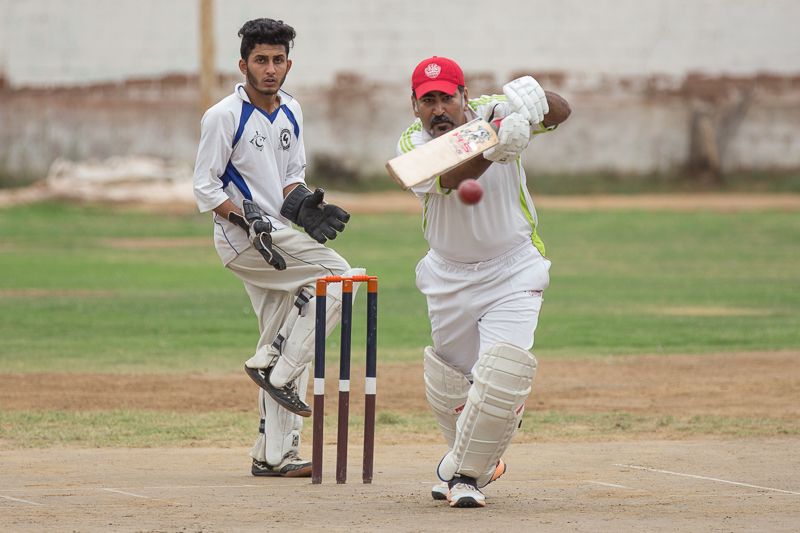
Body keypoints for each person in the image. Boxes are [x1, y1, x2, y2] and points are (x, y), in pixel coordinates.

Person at [394, 56, 571, 507]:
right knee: (451, 384)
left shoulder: (496, 108)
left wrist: (536, 99)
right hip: (448, 276)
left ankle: (465, 477)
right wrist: (493, 142)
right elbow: (450, 177)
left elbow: (561, 112)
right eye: (428, 101)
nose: (438, 109)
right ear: (414, 105)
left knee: (500, 375)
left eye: (446, 98)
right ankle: (476, 461)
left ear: (464, 96)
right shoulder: (413, 144)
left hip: (513, 268)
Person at [193, 18, 362, 478]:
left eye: (278, 60)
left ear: (289, 64)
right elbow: (205, 187)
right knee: (341, 278)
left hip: (279, 234)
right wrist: (245, 218)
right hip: (244, 239)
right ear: (243, 64)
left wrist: (304, 205)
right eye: (261, 60)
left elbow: (290, 177)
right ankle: (278, 367)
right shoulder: (223, 115)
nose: (270, 69)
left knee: (285, 331)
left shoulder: (292, 110)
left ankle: (274, 454)